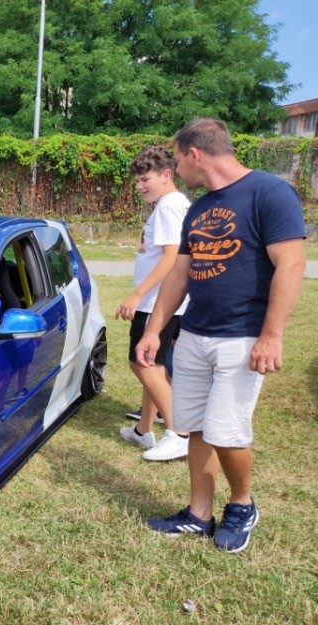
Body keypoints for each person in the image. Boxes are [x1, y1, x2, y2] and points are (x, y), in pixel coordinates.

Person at [136, 118, 306, 553]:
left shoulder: (270, 193)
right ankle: (197, 514)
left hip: (243, 336)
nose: (177, 169)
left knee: (227, 432)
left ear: (195, 154)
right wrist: (155, 329)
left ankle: (243, 504)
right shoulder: (198, 207)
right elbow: (180, 273)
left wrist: (272, 335)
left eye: (177, 160)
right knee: (194, 428)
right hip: (194, 334)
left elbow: (291, 265)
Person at [116, 147, 190, 461]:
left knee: (141, 361)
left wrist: (137, 295)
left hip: (156, 302)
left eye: (145, 179)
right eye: (137, 181)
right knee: (154, 366)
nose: (140, 186)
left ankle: (178, 432)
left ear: (166, 175)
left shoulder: (169, 207)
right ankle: (143, 430)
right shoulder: (174, 204)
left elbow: (172, 258)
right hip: (168, 301)